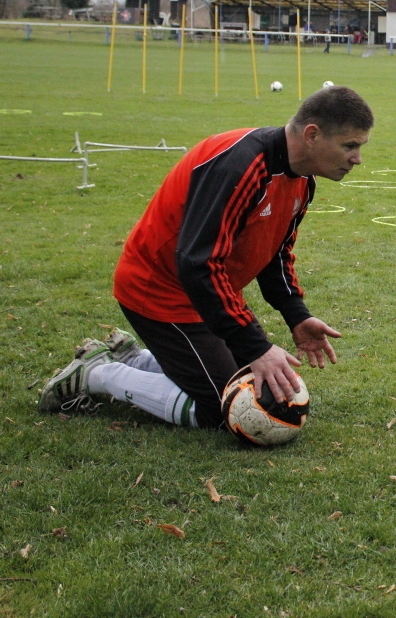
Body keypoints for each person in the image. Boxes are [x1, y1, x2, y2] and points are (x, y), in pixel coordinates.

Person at [37, 86, 375, 432]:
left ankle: (134, 359)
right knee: (226, 407)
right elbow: (196, 264)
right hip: (159, 291)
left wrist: (297, 316)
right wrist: (257, 346)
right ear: (312, 135)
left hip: (208, 295)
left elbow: (276, 253)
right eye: (350, 145)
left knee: (267, 391)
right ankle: (96, 374)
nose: (357, 158)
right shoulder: (240, 165)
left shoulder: (303, 180)